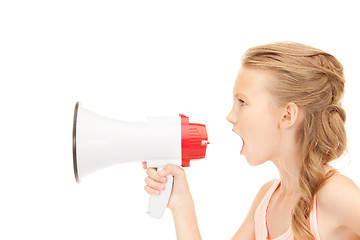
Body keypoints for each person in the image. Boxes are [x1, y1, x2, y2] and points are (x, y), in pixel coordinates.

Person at [142, 42, 360, 240]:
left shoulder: (335, 195)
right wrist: (181, 204)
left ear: (287, 116)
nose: (231, 116)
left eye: (242, 102)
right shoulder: (267, 199)